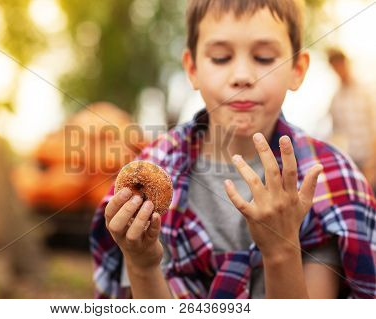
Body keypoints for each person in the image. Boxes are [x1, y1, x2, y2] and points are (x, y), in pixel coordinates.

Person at [90, 0, 376, 298]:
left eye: (264, 58)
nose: (242, 75)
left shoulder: (325, 183)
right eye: (221, 57)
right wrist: (142, 265)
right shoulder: (155, 170)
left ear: (297, 69)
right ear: (192, 68)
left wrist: (281, 249)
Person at [327, 48, 376, 191]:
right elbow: (336, 135)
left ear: (346, 63)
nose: (339, 70)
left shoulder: (367, 91)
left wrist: (372, 164)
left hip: (371, 159)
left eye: (340, 65)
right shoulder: (336, 99)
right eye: (335, 68)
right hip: (354, 161)